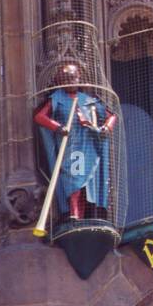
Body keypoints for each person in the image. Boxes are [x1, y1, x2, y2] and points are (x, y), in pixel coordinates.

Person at [33, 62, 116, 221]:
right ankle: (73, 214)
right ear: (60, 82)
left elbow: (111, 116)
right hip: (71, 147)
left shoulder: (89, 100)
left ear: (79, 78)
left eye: (73, 77)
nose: (70, 81)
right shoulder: (57, 98)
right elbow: (39, 117)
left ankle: (88, 215)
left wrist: (106, 128)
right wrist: (58, 127)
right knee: (74, 179)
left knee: (89, 181)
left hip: (89, 146)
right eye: (66, 78)